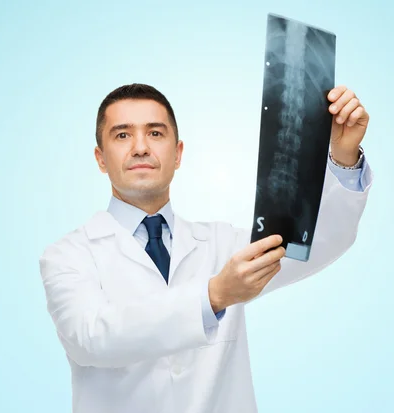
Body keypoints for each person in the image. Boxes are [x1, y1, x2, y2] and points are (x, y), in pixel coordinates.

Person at [39, 83, 373, 413]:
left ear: (178, 153)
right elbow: (91, 339)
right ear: (100, 158)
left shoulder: (222, 245)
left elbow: (320, 242)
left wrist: (343, 157)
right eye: (122, 135)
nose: (140, 147)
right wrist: (213, 296)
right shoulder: (67, 256)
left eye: (155, 133)